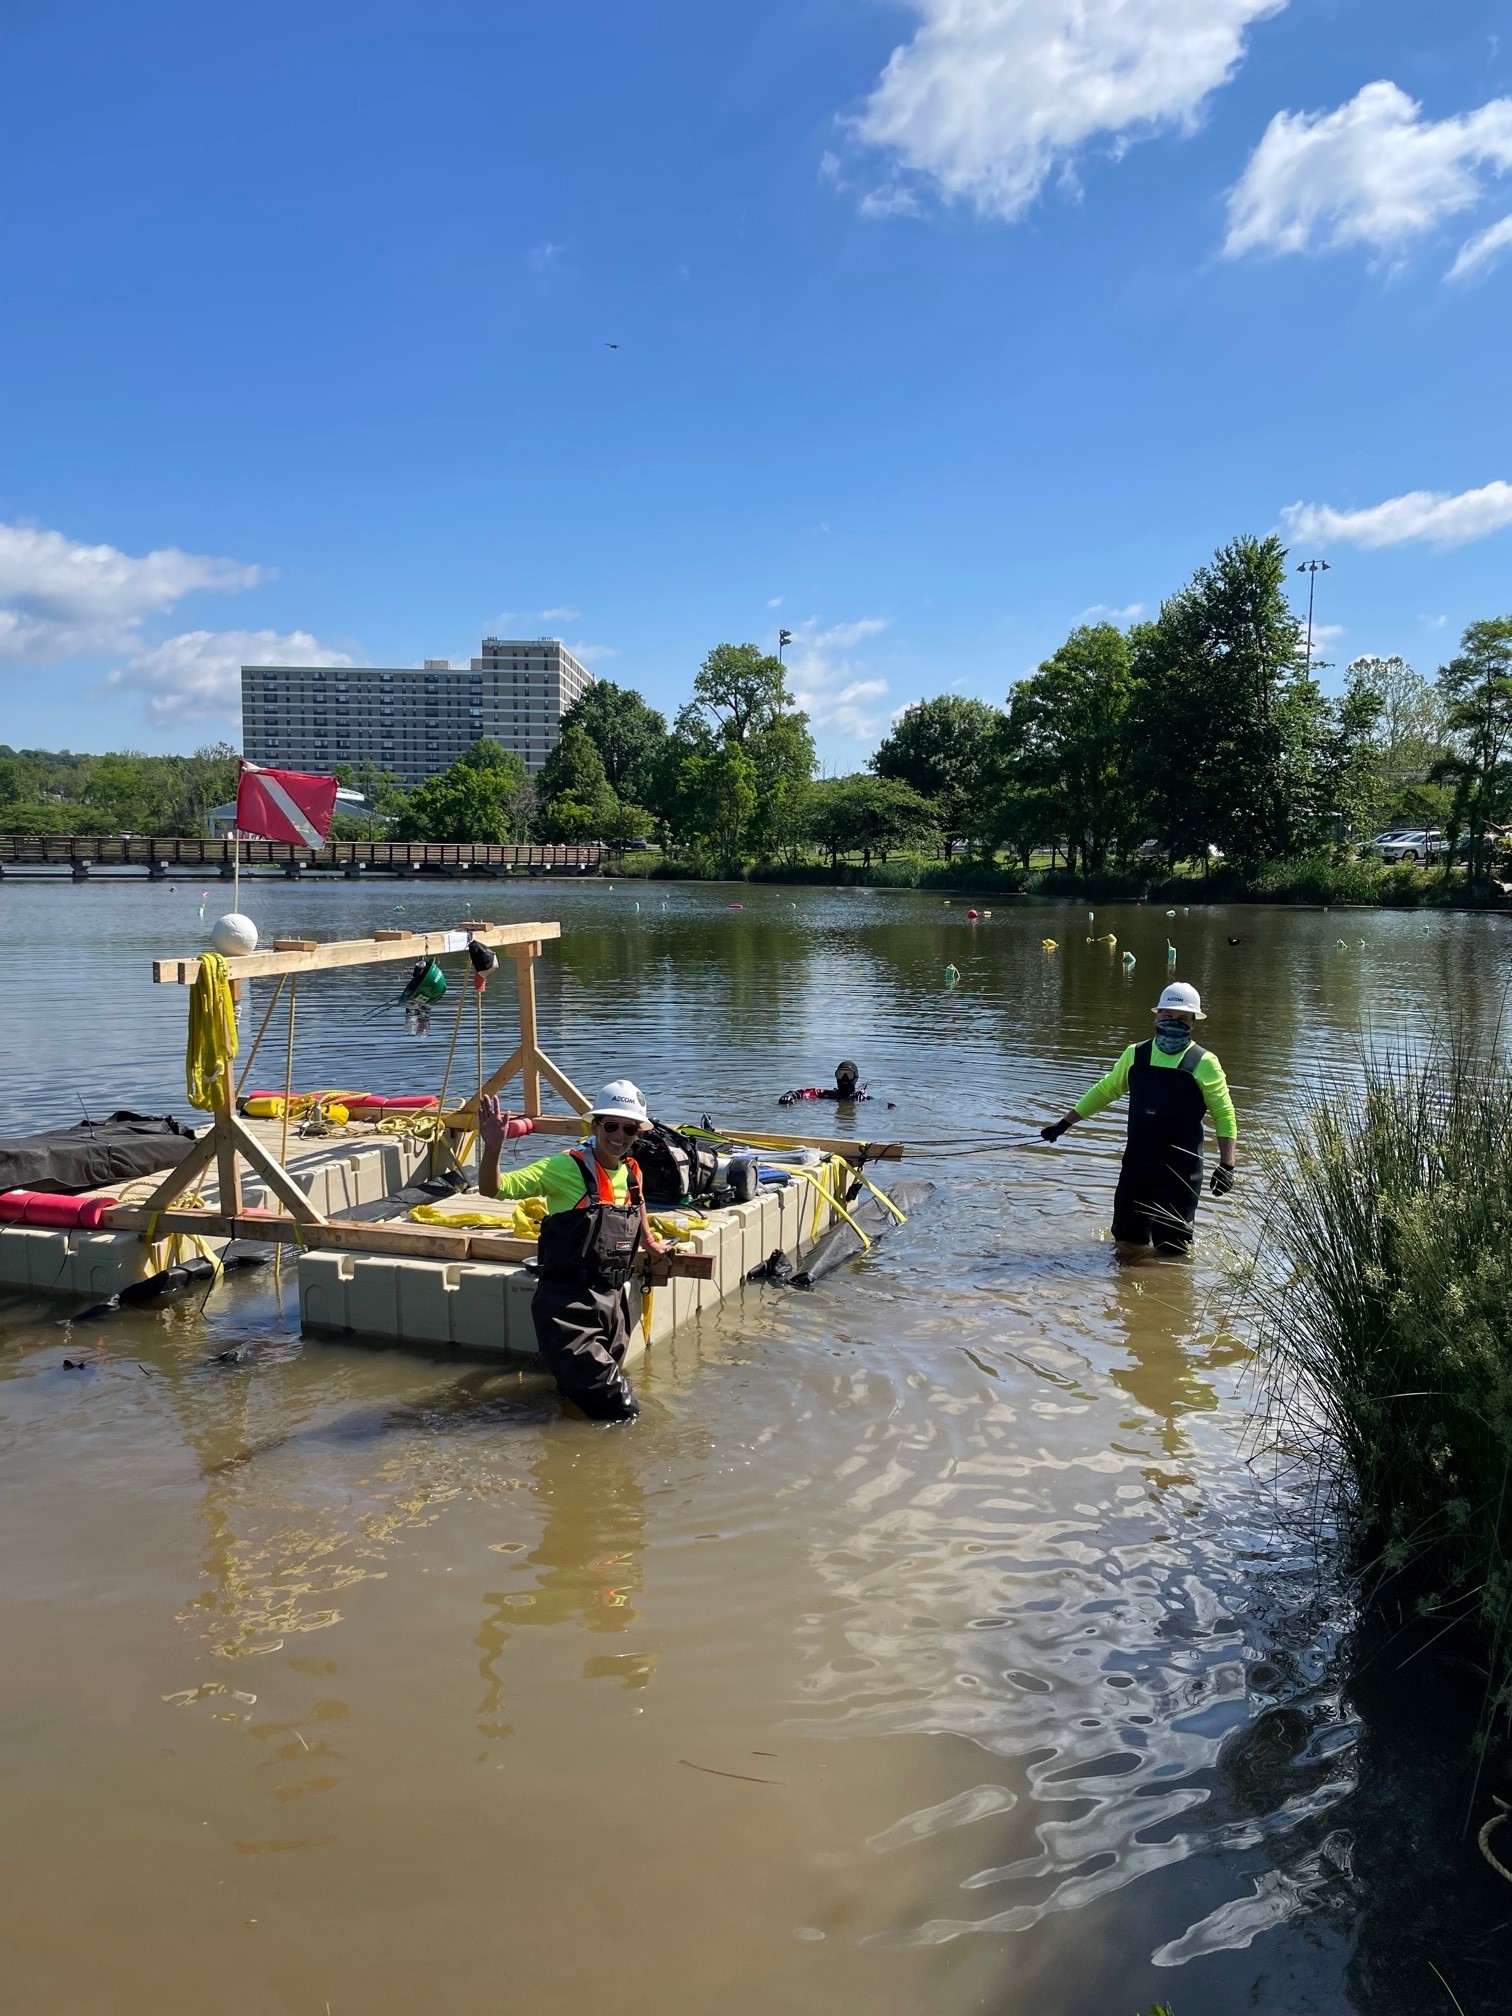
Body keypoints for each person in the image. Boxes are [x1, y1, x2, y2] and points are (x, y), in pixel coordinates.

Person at [478, 1079, 666, 1422]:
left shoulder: (632, 1171)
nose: (619, 1135)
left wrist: (651, 1243)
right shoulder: (563, 1168)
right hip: (567, 1305)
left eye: (630, 1128)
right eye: (611, 1125)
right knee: (621, 1410)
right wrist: (493, 1148)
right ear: (593, 1125)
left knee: (583, 1397)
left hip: (611, 1302)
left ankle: (573, 1451)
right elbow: (493, 1189)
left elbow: (638, 1207)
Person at [1040, 981, 1237, 1256]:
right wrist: (1064, 1124)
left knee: (1172, 1248)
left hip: (1181, 1171)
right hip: (1137, 1166)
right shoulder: (1136, 1054)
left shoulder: (1204, 1062)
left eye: (1182, 1018)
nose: (1173, 1022)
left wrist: (1227, 1165)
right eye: (1167, 1015)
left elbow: (1224, 1113)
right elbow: (1106, 1089)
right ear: (1156, 1016)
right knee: (1126, 1243)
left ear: (1193, 1023)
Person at [779, 1060, 868, 1107]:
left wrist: (863, 1101)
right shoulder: (827, 1094)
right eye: (840, 1074)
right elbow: (803, 1093)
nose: (844, 1078)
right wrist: (791, 1095)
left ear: (855, 1077)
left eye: (849, 1075)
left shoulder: (864, 1099)